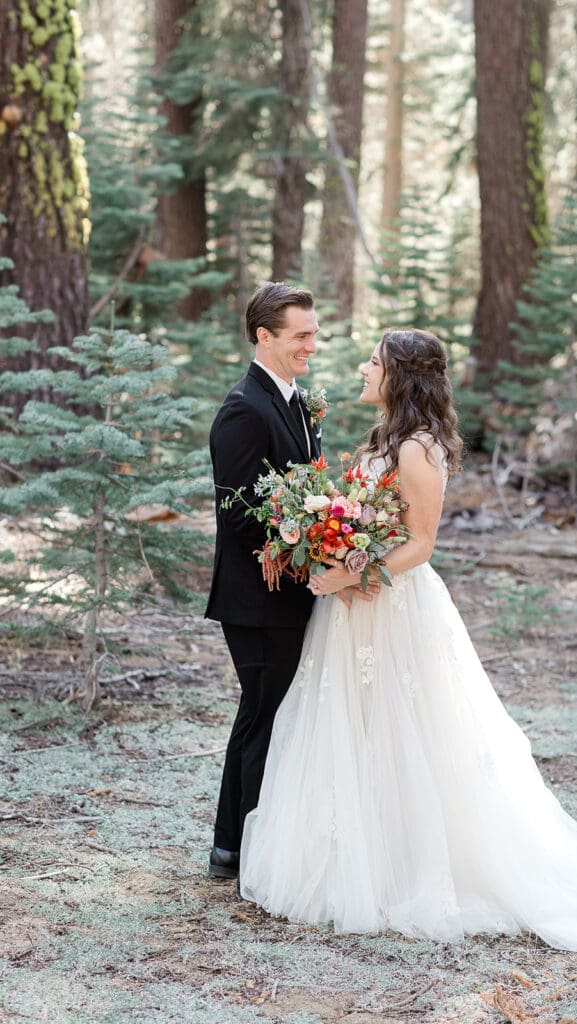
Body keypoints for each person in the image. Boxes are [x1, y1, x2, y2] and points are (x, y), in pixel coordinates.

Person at [238, 328, 577, 952]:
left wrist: (351, 570)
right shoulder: (383, 437)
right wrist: (327, 549)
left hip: (394, 606)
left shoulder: (417, 447)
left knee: (408, 726)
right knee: (358, 724)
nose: (363, 368)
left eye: (374, 362)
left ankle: (413, 865)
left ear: (401, 376)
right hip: (355, 605)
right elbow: (368, 520)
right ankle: (366, 850)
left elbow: (422, 543)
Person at [205, 281, 325, 880]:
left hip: (295, 587)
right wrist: (306, 542)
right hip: (257, 595)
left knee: (270, 713)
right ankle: (242, 847)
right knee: (264, 713)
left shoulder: (297, 400)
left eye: (313, 332)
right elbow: (238, 510)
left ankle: (238, 843)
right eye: (301, 334)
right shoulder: (242, 409)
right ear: (264, 335)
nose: (313, 343)